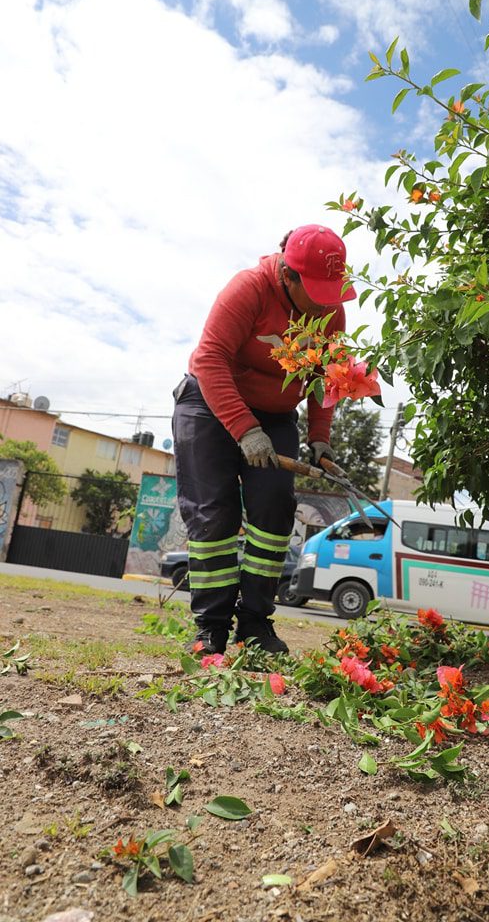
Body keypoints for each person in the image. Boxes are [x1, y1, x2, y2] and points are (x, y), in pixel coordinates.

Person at [172, 225, 355, 655]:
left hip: (274, 416)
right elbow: (210, 359)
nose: (327, 303)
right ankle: (210, 628)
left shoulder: (332, 312)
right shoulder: (247, 289)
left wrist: (320, 438)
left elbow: (326, 377)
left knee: (274, 511)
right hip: (210, 405)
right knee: (214, 515)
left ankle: (254, 624)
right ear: (287, 276)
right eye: (316, 290)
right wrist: (244, 429)